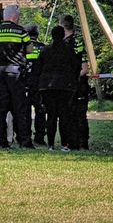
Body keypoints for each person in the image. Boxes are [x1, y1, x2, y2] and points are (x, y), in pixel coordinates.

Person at [0, 5, 34, 149]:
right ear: (15, 17)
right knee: (20, 108)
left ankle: (1, 140)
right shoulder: (21, 31)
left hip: (0, 73)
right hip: (16, 74)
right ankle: (24, 140)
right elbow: (29, 49)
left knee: (2, 108)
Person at [38, 25, 81, 151]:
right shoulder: (69, 50)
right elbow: (76, 66)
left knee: (51, 115)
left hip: (47, 86)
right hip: (65, 87)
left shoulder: (45, 50)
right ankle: (64, 144)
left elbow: (38, 68)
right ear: (63, 35)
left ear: (52, 35)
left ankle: (50, 144)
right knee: (64, 115)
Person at [61, 15, 90, 149]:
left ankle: (76, 142)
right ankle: (80, 143)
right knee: (79, 114)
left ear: (62, 26)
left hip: (75, 84)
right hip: (78, 83)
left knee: (74, 114)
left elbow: (84, 68)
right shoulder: (78, 41)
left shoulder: (69, 43)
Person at [24, 24, 47, 145]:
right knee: (41, 111)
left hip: (26, 83)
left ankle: (26, 135)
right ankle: (40, 137)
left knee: (25, 111)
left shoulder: (23, 47)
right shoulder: (43, 48)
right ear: (37, 35)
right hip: (40, 85)